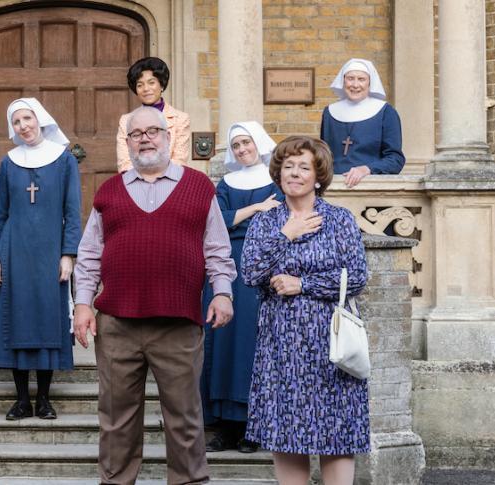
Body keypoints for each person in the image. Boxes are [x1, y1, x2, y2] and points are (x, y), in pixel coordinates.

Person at [73, 106, 236, 485]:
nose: (145, 138)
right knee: (116, 420)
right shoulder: (109, 191)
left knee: (184, 419)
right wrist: (82, 303)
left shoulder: (198, 187)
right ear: (127, 142)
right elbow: (90, 254)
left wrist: (223, 293)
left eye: (153, 131)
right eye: (136, 134)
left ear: (168, 136)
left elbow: (216, 249)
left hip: (178, 324)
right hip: (116, 326)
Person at [241, 136, 369, 485]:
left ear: (318, 176)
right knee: (287, 436)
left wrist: (304, 285)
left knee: (337, 437)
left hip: (331, 348)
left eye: (303, 167)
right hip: (281, 347)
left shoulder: (339, 220)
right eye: (287, 166)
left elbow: (356, 276)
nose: (294, 173)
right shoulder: (266, 222)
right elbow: (251, 273)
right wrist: (287, 233)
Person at [0, 98, 81, 420]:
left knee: (45, 321)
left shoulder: (64, 161)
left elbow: (72, 212)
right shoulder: (10, 162)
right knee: (17, 321)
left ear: (40, 119)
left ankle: (44, 398)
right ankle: (22, 399)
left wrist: (68, 255)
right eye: (16, 122)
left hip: (50, 253)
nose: (23, 126)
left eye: (27, 118)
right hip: (13, 253)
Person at [201, 122, 282, 454]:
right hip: (225, 266)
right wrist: (254, 210)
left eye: (246, 143)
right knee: (221, 344)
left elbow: (274, 223)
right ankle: (222, 427)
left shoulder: (275, 182)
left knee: (251, 346)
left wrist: (239, 218)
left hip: (259, 269)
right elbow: (216, 219)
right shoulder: (225, 183)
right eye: (235, 145)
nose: (241, 149)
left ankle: (252, 427)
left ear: (258, 143)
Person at [319, 58, 405, 188]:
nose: (355, 84)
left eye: (361, 79)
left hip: (371, 187)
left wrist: (366, 169)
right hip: (332, 187)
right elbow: (324, 156)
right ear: (343, 81)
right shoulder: (329, 112)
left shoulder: (385, 112)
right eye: (350, 78)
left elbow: (395, 159)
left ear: (370, 82)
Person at [116, 57, 191, 171]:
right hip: (135, 184)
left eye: (151, 83)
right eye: (140, 85)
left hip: (170, 184)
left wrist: (156, 180)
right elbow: (124, 164)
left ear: (161, 85)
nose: (146, 89)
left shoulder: (180, 119)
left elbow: (179, 161)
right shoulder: (126, 121)